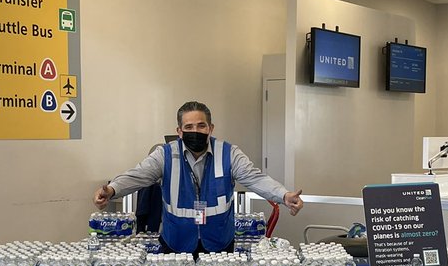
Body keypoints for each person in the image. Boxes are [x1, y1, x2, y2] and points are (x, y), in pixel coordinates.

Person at [93, 101, 303, 253]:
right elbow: (138, 175)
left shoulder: (228, 153)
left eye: (201, 126)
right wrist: (112, 190)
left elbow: (254, 178)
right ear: (180, 131)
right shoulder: (165, 154)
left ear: (211, 128)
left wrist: (283, 196)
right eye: (189, 127)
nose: (196, 131)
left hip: (219, 244)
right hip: (176, 244)